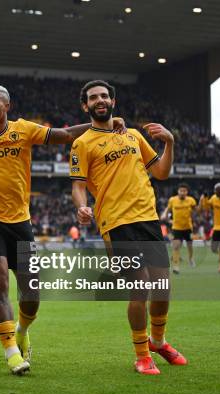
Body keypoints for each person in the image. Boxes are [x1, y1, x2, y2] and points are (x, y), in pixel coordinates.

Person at [0, 84, 126, 375]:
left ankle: (22, 330)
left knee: (31, 292)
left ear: (7, 106)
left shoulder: (23, 129)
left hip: (20, 223)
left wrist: (102, 124)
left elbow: (63, 136)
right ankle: (11, 352)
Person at [71, 80, 186, 375]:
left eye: (104, 96)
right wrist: (82, 206)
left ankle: (158, 342)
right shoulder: (82, 143)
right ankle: (141, 355)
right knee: (140, 286)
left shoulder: (133, 135)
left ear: (113, 101)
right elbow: (78, 185)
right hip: (116, 221)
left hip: (148, 219)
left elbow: (161, 171)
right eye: (93, 97)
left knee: (162, 287)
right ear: (86, 106)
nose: (100, 100)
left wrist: (170, 142)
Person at [161, 184, 197, 274]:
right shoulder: (172, 200)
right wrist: (164, 214)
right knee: (176, 246)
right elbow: (168, 209)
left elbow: (196, 211)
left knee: (189, 245)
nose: (182, 192)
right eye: (181, 191)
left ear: (187, 192)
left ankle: (190, 258)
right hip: (176, 227)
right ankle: (176, 267)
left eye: (184, 191)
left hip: (188, 227)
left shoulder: (191, 200)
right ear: (178, 191)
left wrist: (195, 218)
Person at [201, 183, 220, 273]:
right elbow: (206, 207)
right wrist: (205, 198)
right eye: (215, 190)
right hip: (216, 228)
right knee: (213, 249)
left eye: (217, 190)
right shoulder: (213, 198)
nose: (215, 192)